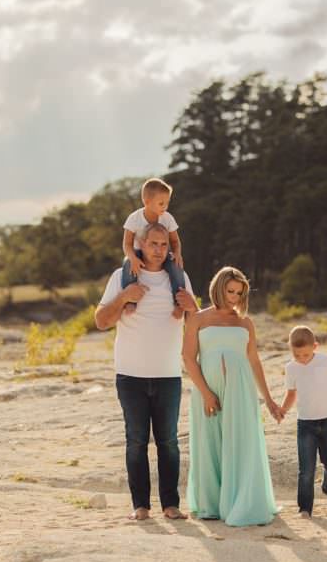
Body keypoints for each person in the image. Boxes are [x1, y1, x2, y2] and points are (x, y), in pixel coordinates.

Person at [95, 222, 198, 521]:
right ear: (139, 243)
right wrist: (124, 296)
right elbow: (101, 321)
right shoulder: (122, 276)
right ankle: (140, 505)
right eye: (152, 244)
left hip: (168, 374)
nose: (158, 250)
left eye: (164, 244)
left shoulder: (179, 278)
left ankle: (171, 505)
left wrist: (193, 306)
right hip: (130, 374)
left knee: (168, 442)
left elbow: (195, 324)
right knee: (136, 441)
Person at [182, 266, 282, 526]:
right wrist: (206, 393)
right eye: (230, 291)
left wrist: (269, 399)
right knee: (209, 443)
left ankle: (239, 501)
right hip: (207, 390)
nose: (234, 297)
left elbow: (254, 361)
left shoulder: (245, 322)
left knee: (241, 442)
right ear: (218, 287)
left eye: (239, 293)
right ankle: (211, 504)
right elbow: (188, 358)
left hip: (241, 390)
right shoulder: (198, 318)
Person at [279, 325, 327, 517]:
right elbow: (291, 394)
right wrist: (282, 410)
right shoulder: (291, 368)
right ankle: (305, 509)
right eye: (297, 355)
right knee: (306, 469)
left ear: (315, 346)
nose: (302, 359)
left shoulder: (325, 360)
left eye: (305, 355)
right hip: (305, 425)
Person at [120, 177, 186, 316]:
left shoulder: (167, 218)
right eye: (161, 203)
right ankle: (130, 302)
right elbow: (126, 244)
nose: (165, 207)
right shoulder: (134, 218)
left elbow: (175, 241)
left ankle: (179, 302)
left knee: (176, 265)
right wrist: (132, 258)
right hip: (138, 252)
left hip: (161, 252)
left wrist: (177, 253)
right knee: (127, 264)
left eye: (167, 203)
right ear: (147, 201)